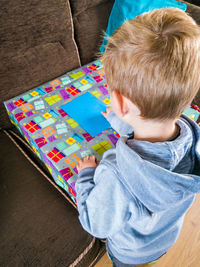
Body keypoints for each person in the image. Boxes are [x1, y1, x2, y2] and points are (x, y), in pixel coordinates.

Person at [75, 8, 200, 267]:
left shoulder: (116, 175)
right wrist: (121, 120)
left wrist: (87, 176)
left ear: (121, 103)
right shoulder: (193, 142)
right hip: (163, 242)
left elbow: (95, 224)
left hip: (128, 255)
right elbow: (155, 135)